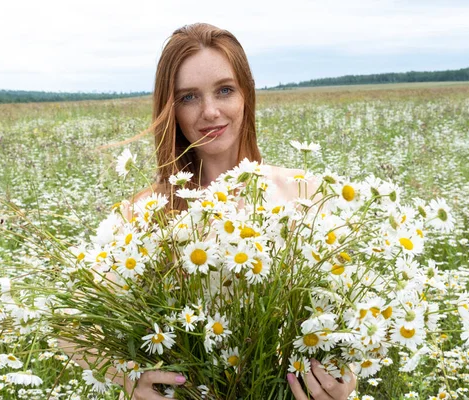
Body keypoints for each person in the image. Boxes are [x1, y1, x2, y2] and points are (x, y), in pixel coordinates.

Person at [62, 22, 357, 400]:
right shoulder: (145, 213)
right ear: (170, 109)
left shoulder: (306, 193)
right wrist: (126, 377)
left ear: (246, 95)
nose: (211, 112)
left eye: (224, 90)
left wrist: (342, 383)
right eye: (188, 97)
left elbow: (346, 322)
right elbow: (70, 327)